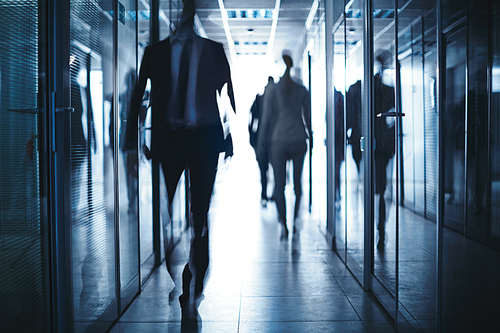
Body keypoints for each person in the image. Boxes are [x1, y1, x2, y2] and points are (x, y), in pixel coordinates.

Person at [124, 0, 235, 307]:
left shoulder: (213, 49)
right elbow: (138, 100)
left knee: (200, 213)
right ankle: (179, 270)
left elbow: (226, 98)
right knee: (169, 214)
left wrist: (229, 141)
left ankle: (196, 277)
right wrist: (131, 144)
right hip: (168, 143)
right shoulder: (155, 52)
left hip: (204, 142)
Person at [259, 51, 311, 239]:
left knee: (279, 184)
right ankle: (295, 220)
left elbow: (266, 120)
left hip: (278, 140)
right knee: (297, 185)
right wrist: (310, 138)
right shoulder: (301, 90)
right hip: (298, 139)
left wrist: (261, 144)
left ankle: (283, 224)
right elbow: (308, 118)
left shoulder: (273, 90)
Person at [373, 49, 396, 249]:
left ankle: (380, 227)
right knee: (380, 188)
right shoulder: (378, 89)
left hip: (381, 145)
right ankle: (380, 227)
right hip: (378, 144)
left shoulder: (387, 90)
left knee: (380, 188)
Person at [249, 76, 274, 206]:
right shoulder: (261, 100)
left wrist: (252, 136)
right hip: (265, 139)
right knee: (266, 168)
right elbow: (252, 119)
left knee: (265, 168)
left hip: (265, 139)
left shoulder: (261, 100)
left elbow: (252, 120)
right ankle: (265, 194)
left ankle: (267, 194)